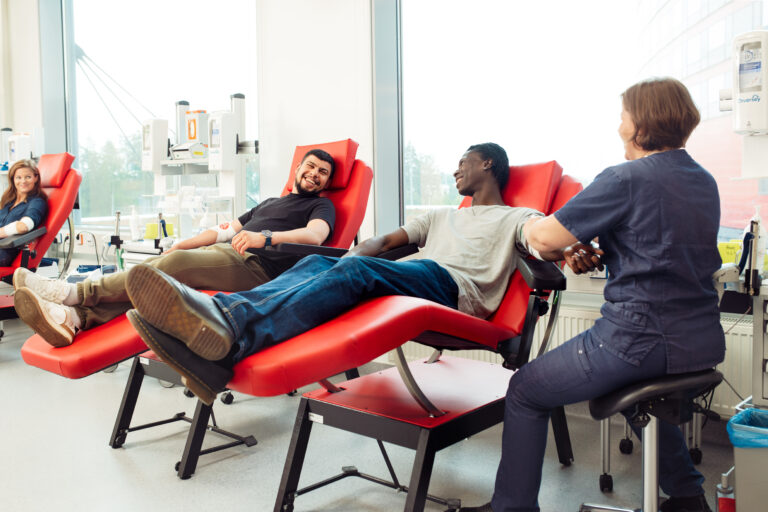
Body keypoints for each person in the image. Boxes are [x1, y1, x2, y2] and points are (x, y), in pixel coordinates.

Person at [122, 142, 588, 406]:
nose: (455, 171)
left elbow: (543, 239)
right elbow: (380, 243)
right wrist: (343, 261)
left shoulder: (517, 216)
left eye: (463, 163)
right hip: (414, 277)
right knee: (319, 262)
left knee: (356, 270)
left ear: (487, 163)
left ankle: (226, 325)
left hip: (455, 290)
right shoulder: (441, 215)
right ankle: (219, 346)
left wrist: (571, 246)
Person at [454, 78, 724, 512]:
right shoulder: (702, 180)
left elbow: (543, 238)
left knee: (524, 389)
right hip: (699, 340)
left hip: (636, 340)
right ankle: (687, 496)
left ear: (640, 124)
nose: (619, 126)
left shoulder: (625, 178)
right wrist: (597, 247)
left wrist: (525, 225)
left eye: (623, 117)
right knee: (635, 386)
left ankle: (511, 507)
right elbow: (658, 243)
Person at [13, 149, 337, 348]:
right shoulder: (270, 202)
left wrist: (265, 237)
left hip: (258, 268)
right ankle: (74, 317)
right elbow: (224, 231)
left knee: (176, 264)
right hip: (230, 255)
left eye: (323, 172)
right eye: (310, 167)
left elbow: (316, 236)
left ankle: (74, 293)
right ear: (297, 168)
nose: (315, 175)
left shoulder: (321, 207)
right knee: (158, 281)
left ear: (327, 181)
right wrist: (184, 243)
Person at [0, 159, 48, 266]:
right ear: (13, 179)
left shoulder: (37, 202)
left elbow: (23, 226)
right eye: (19, 177)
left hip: (4, 253)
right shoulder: (8, 201)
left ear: (35, 178)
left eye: (28, 177)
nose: (23, 181)